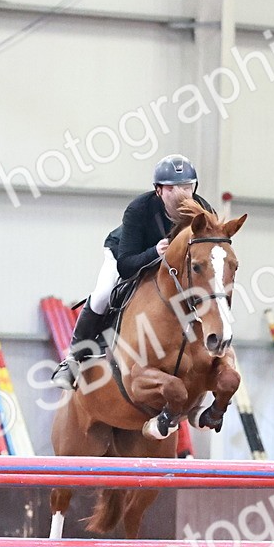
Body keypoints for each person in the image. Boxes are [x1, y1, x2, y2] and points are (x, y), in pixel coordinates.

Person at [51, 154, 217, 390]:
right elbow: (126, 265)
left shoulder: (203, 211)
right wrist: (154, 253)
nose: (182, 194)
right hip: (126, 254)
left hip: (173, 267)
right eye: (173, 188)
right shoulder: (139, 209)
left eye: (187, 187)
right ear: (159, 190)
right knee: (103, 295)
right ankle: (73, 360)